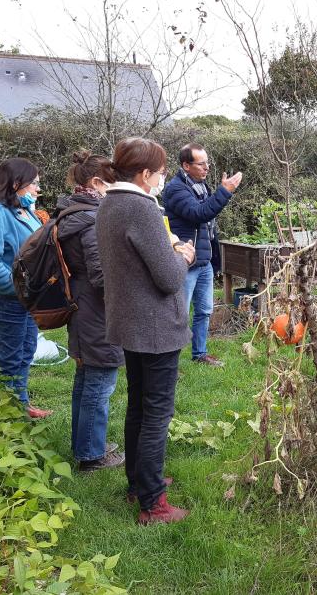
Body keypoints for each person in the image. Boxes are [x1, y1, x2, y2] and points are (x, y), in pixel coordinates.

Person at [95, 137, 196, 525]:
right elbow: (170, 278)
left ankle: (138, 482)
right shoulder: (142, 208)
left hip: (128, 321)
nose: (161, 178)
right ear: (144, 173)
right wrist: (182, 255)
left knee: (138, 405)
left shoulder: (109, 203)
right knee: (156, 413)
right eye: (160, 171)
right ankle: (153, 503)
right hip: (154, 326)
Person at [56, 151, 125, 472]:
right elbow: (102, 276)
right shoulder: (93, 219)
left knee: (86, 380)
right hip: (97, 312)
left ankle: (84, 443)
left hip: (82, 308)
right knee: (100, 382)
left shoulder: (74, 211)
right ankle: (91, 455)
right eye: (113, 183)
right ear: (97, 183)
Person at [0, 158, 52, 419]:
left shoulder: (19, 208)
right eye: (34, 184)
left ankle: (20, 406)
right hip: (2, 295)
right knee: (8, 357)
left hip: (23, 296)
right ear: (16, 183)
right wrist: (14, 287)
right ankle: (2, 416)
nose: (38, 190)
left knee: (25, 350)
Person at [162, 142, 242, 367]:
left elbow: (208, 224)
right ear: (186, 165)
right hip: (185, 263)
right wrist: (224, 192)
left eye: (208, 162)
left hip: (203, 262)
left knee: (204, 311)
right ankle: (168, 363)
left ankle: (200, 354)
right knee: (179, 315)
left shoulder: (201, 187)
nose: (207, 167)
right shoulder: (176, 189)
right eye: (202, 163)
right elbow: (199, 213)